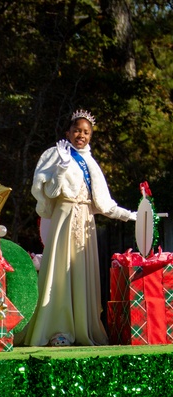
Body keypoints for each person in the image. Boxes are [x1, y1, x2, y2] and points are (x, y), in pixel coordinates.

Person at [25, 110, 135, 347]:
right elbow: (50, 193)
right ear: (68, 132)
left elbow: (104, 203)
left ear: (91, 136)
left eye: (86, 132)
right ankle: (58, 328)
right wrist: (62, 167)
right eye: (76, 130)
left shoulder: (91, 163)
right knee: (61, 270)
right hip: (64, 217)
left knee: (81, 272)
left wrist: (130, 215)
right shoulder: (56, 155)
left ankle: (83, 328)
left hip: (86, 220)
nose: (81, 135)